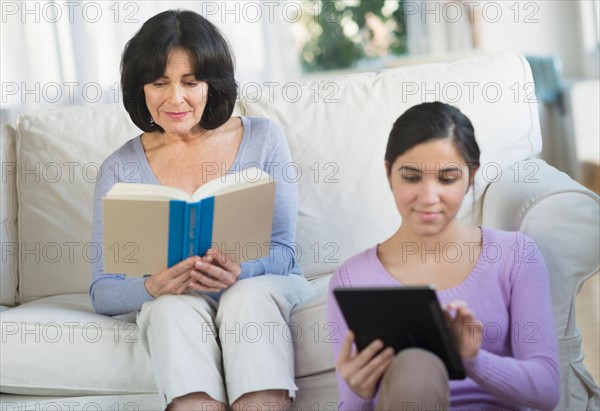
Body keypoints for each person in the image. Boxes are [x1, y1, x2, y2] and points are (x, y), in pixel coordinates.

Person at [89, 10, 314, 411]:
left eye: (190, 82)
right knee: (169, 310)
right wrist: (152, 287)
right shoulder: (119, 169)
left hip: (260, 288)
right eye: (160, 83)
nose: (175, 98)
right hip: (177, 298)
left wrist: (240, 271)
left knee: (247, 297)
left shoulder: (263, 138)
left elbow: (285, 253)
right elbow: (102, 291)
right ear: (140, 88)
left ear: (212, 85)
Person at [326, 102, 560, 410]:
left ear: (471, 176)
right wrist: (360, 393)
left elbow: (547, 390)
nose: (428, 197)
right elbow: (353, 402)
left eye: (447, 178)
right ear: (388, 173)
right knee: (416, 366)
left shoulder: (516, 256)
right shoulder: (351, 280)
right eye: (411, 177)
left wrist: (473, 359)